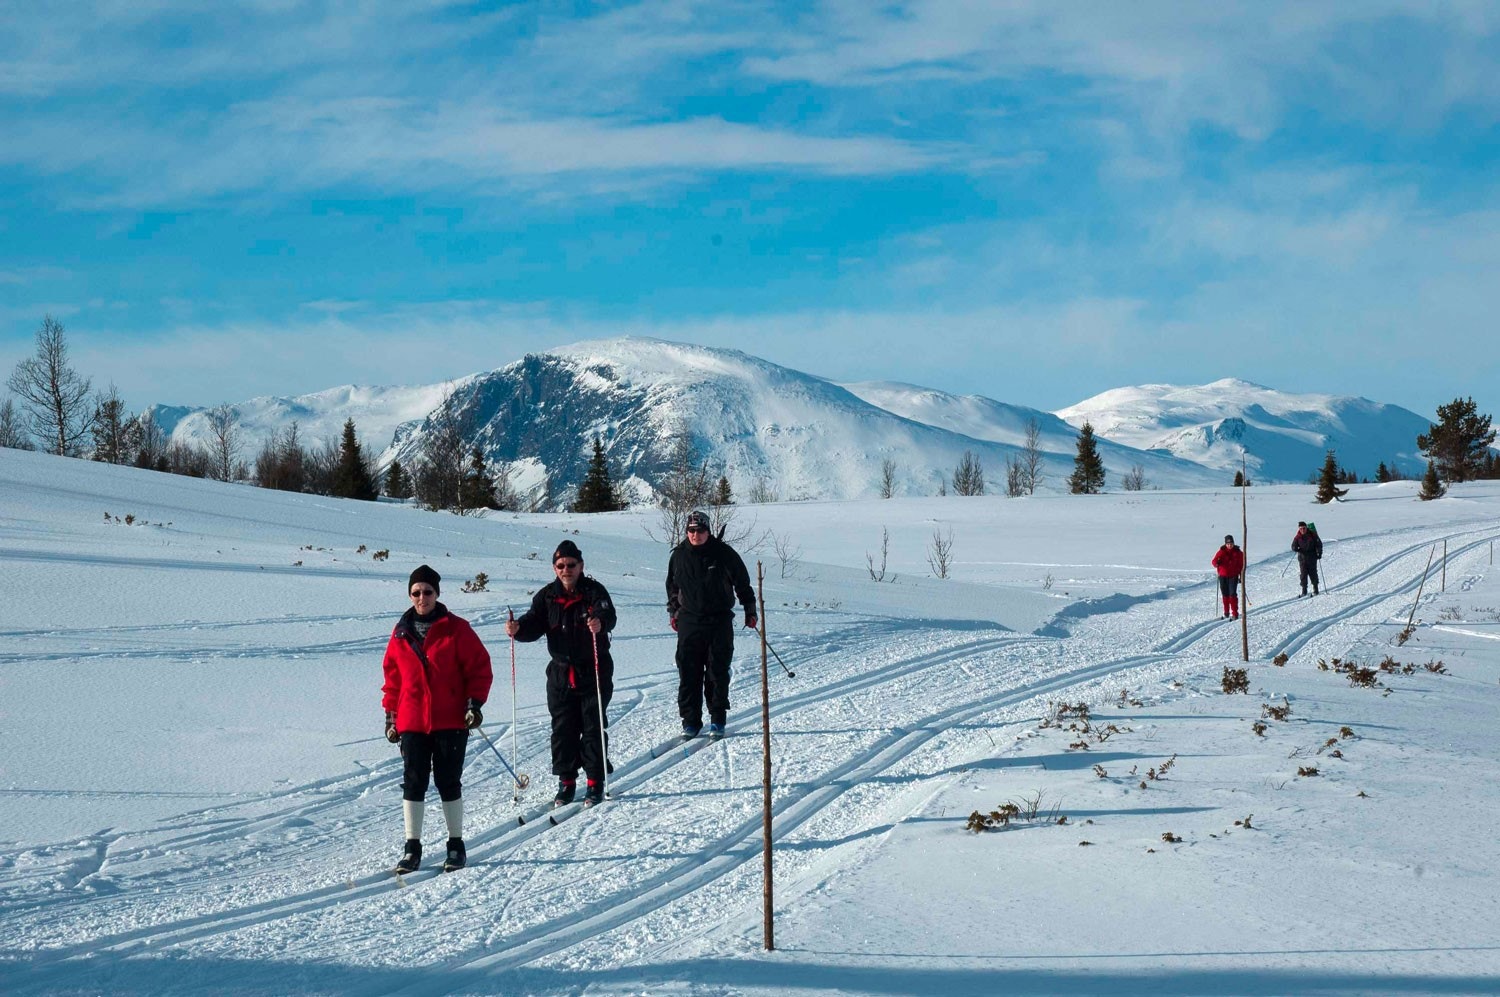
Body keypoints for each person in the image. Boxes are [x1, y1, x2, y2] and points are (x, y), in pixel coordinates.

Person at [382, 565, 493, 874]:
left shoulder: (456, 628)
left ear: (437, 594)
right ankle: (411, 848)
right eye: (416, 592)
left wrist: (475, 703)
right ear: (410, 594)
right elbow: (393, 679)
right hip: (412, 721)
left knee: (447, 781)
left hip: (451, 720)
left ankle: (455, 845)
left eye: (427, 592)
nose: (422, 598)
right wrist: (391, 717)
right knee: (414, 783)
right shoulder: (400, 632)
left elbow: (479, 668)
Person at [506, 540, 617, 808]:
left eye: (571, 565)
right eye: (561, 565)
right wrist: (518, 629)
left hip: (593, 669)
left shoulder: (594, 591)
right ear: (554, 568)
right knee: (562, 729)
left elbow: (608, 614)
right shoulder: (546, 596)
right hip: (559, 673)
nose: (566, 570)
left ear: (581, 566)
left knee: (591, 726)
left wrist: (599, 623)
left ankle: (595, 781)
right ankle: (566, 782)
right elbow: (535, 622)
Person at [666, 510, 757, 741]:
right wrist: (674, 612)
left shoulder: (724, 554)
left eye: (700, 530)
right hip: (689, 620)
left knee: (717, 671)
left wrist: (750, 609)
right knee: (688, 672)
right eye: (691, 530)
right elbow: (672, 587)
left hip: (719, 620)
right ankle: (690, 721)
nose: (695, 535)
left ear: (708, 531)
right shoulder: (678, 555)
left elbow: (743, 583)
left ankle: (717, 718)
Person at [1212, 534, 1245, 620]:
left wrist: (1241, 575)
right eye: (1228, 544)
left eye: (1231, 544)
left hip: (1233, 576)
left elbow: (1242, 564)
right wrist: (1217, 563)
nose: (1229, 545)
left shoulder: (1238, 552)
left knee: (1232, 594)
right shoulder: (1221, 551)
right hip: (1222, 576)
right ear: (1225, 544)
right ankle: (1226, 612)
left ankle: (1234, 613)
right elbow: (1214, 561)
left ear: (1233, 543)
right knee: (1225, 594)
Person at [1293, 521, 1323, 596]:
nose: (1302, 530)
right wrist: (1295, 548)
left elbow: (1319, 544)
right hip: (1302, 558)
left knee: (1313, 573)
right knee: (1303, 574)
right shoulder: (1298, 537)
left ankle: (1315, 589)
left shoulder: (1312, 535)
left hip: (1312, 557)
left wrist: (1319, 552)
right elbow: (1293, 545)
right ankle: (1304, 590)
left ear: (1306, 528)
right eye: (1301, 528)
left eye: (1304, 528)